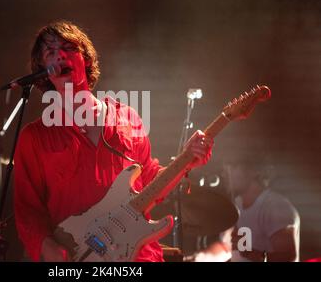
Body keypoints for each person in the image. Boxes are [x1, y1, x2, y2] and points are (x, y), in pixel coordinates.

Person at [13, 20, 213, 262]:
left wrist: (186, 160)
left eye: (68, 48)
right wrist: (48, 248)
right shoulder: (35, 137)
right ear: (43, 68)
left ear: (85, 58)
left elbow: (150, 184)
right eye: (51, 52)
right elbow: (28, 211)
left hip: (136, 257)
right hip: (77, 257)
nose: (61, 56)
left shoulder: (127, 118)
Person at [221, 156, 300, 262]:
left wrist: (250, 252)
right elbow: (226, 248)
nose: (225, 174)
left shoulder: (275, 206)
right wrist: (201, 256)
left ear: (253, 171)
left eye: (232, 167)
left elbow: (287, 258)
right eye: (224, 169)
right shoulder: (236, 205)